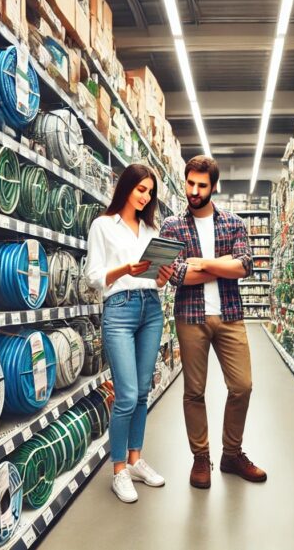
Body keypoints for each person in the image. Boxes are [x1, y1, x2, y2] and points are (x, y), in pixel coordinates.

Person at [160, 155, 267, 489]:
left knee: (242, 386)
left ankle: (231, 454)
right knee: (194, 392)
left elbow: (244, 266)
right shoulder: (171, 226)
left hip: (231, 315)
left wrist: (202, 262)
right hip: (190, 318)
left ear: (213, 187)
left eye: (201, 185)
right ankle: (200, 458)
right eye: (190, 183)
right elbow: (174, 275)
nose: (193, 190)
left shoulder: (233, 222)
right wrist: (220, 265)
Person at [85, 163, 174, 503]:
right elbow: (93, 277)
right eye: (141, 189)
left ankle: (136, 460)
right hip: (119, 310)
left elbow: (152, 277)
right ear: (126, 188)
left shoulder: (151, 230)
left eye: (150, 192)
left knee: (141, 393)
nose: (146, 197)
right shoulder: (103, 226)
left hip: (151, 307)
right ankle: (118, 469)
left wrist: (160, 279)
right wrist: (126, 269)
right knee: (125, 395)